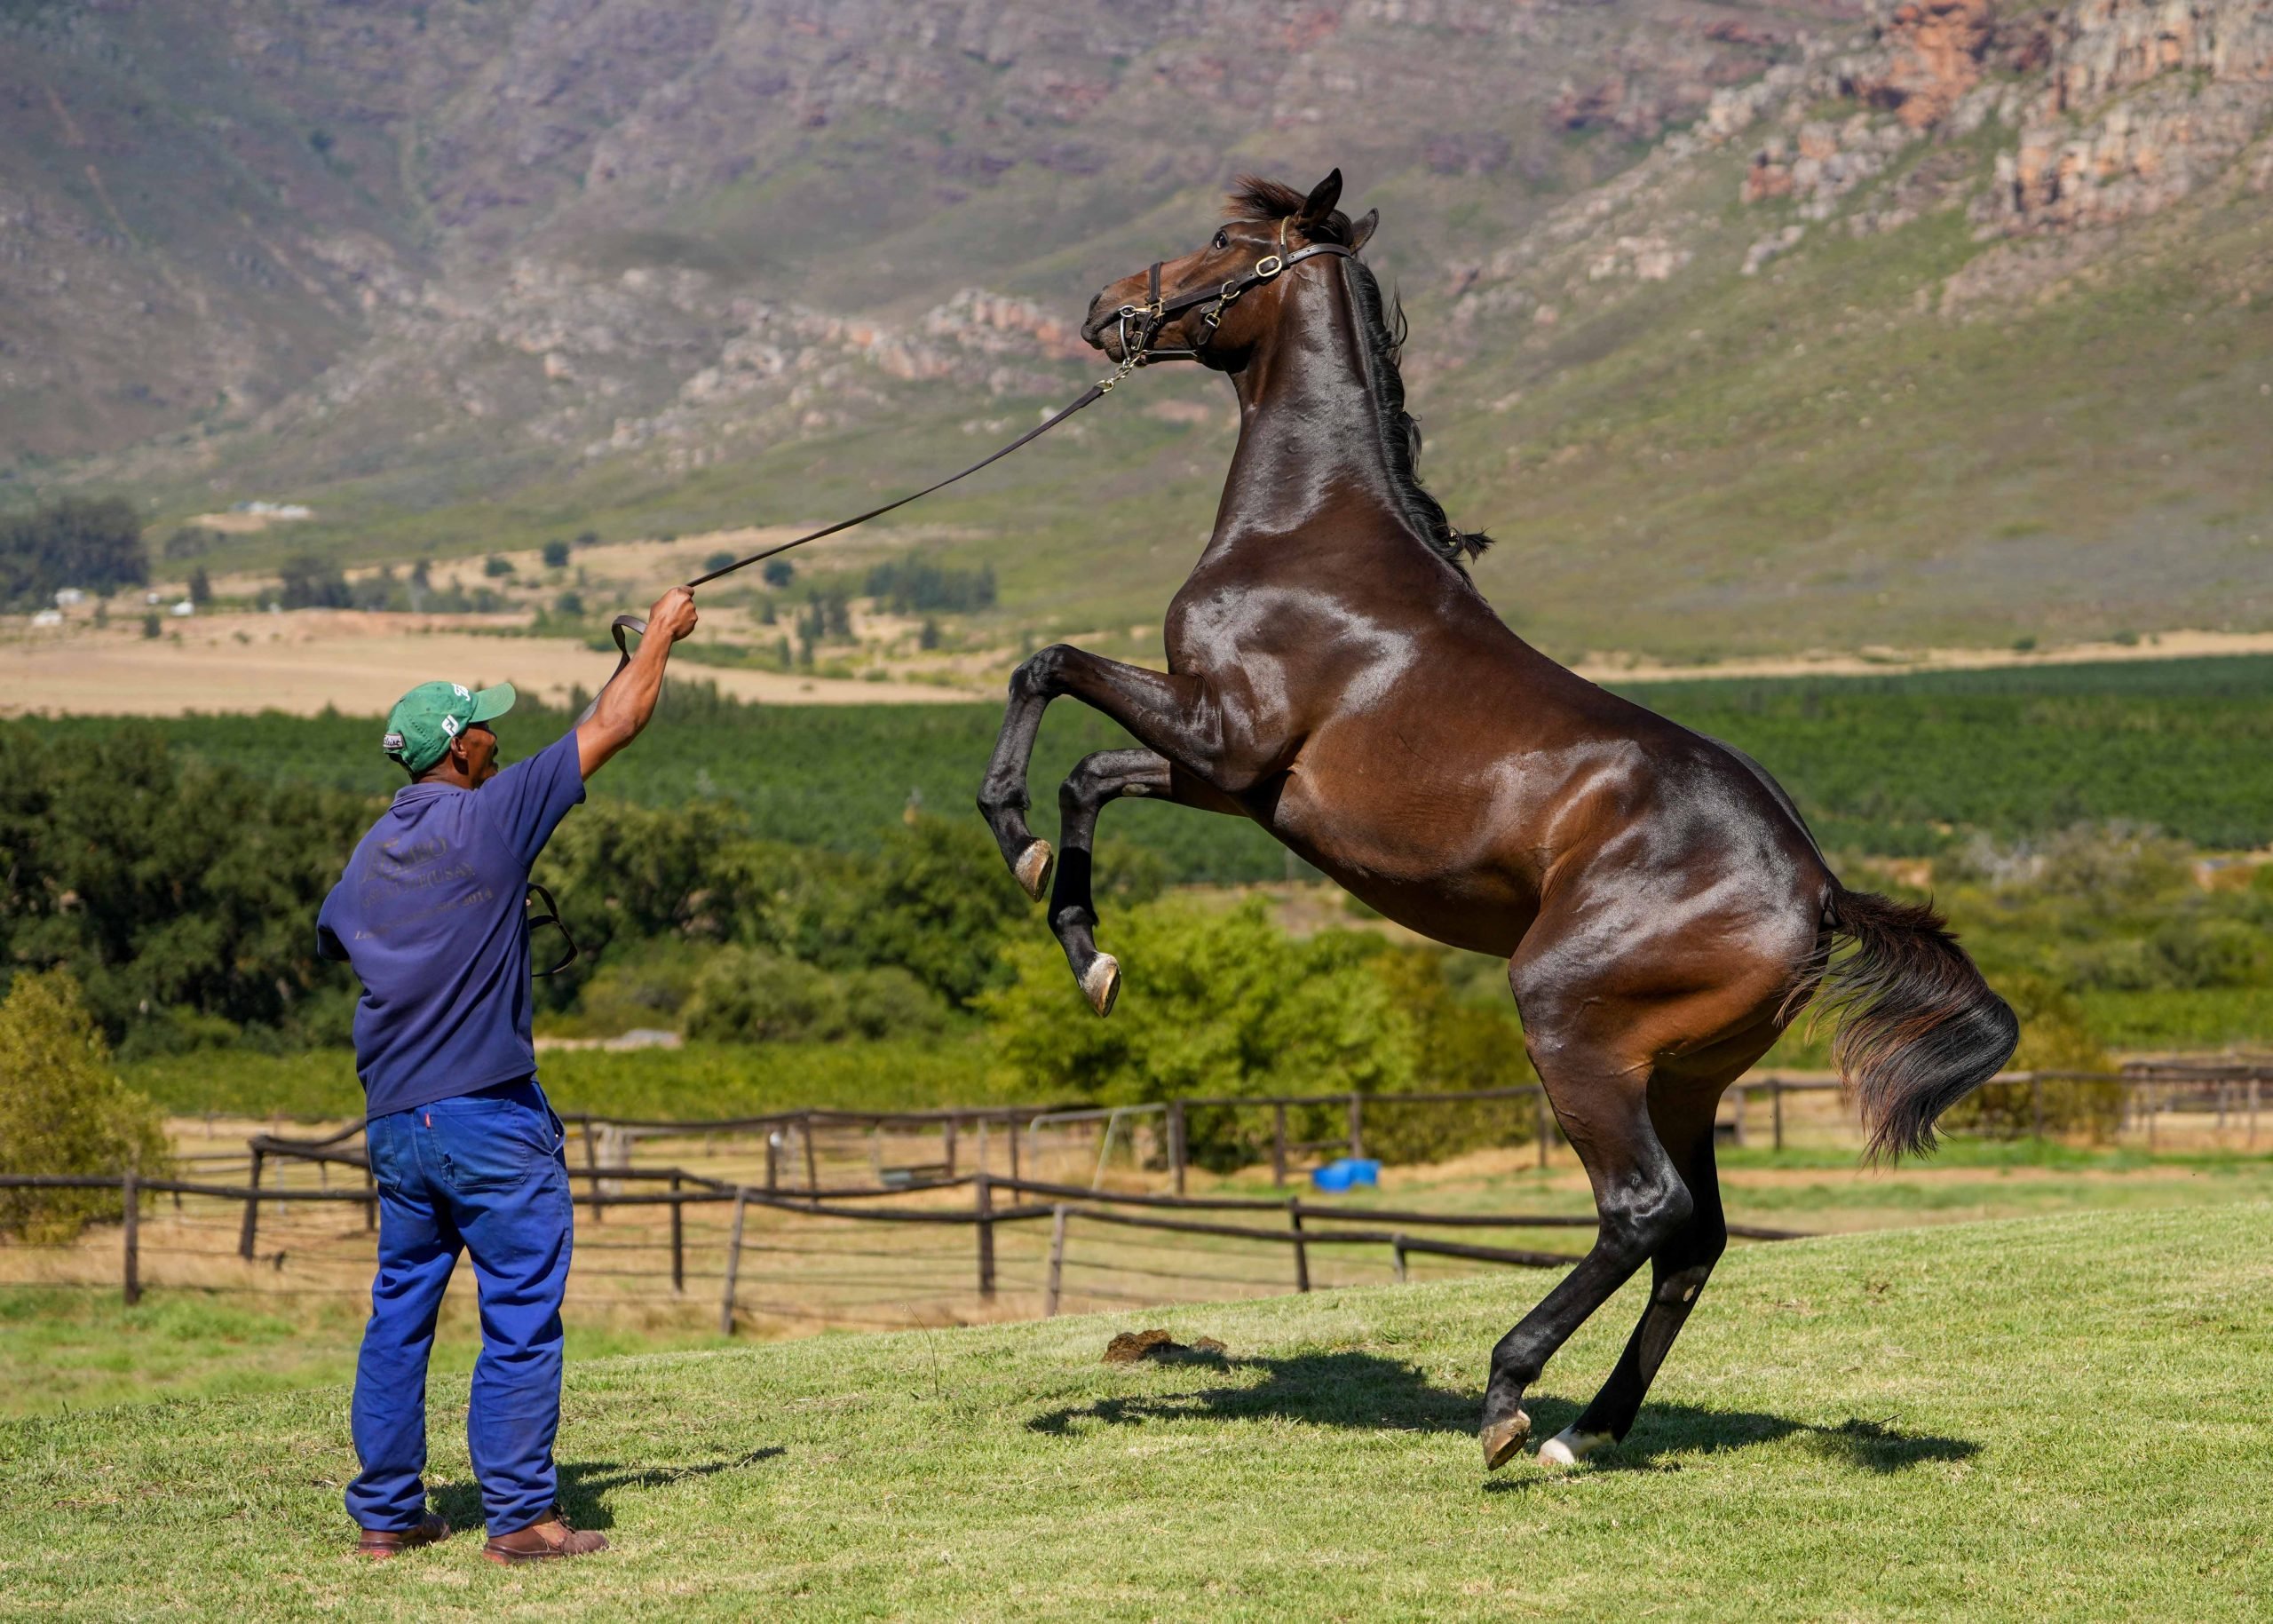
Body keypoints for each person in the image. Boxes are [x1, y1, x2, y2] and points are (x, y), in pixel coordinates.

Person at [317, 586, 698, 1564]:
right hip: (486, 1113)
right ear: (458, 751)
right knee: (520, 1308)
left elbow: (338, 936)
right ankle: (523, 1518)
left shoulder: (369, 854)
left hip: (397, 1122)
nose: (493, 735)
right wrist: (659, 635)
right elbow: (615, 722)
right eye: (482, 726)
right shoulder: (487, 821)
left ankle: (387, 1517)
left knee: (400, 1314)